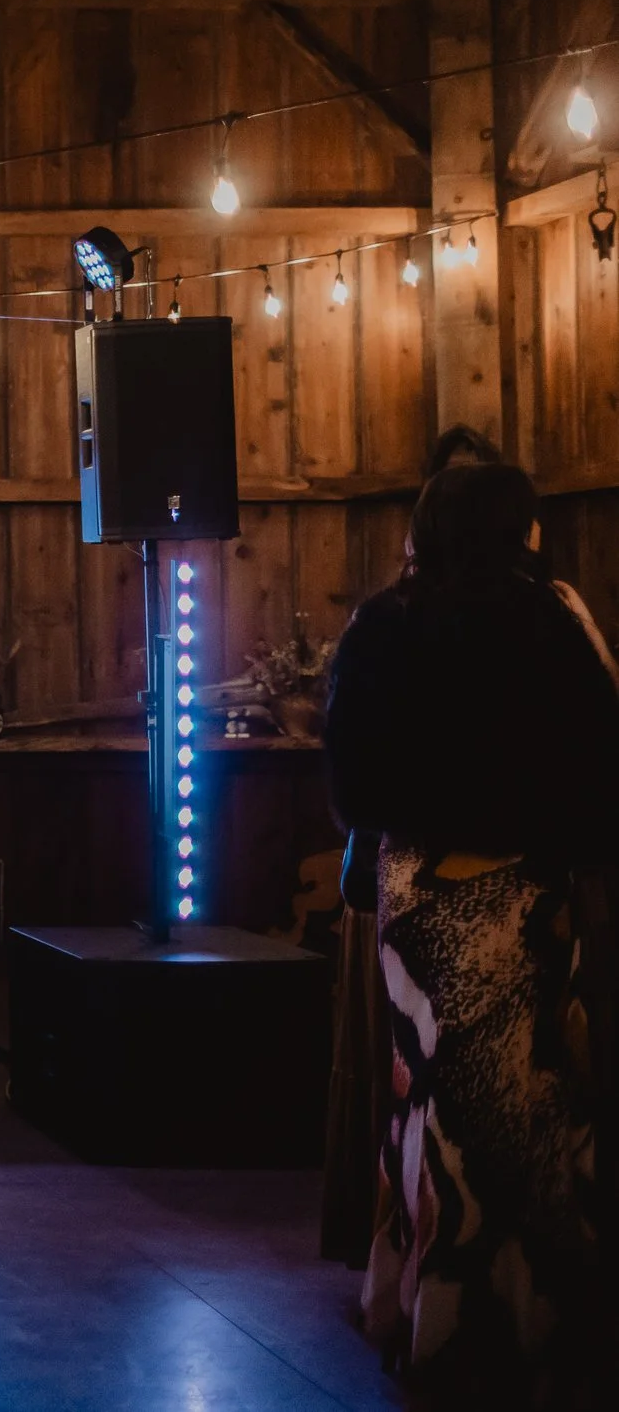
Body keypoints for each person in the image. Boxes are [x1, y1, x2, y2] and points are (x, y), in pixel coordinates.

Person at [325, 461, 618, 1405]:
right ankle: (519, 1323)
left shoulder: (382, 626)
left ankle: (421, 1306)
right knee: (527, 1101)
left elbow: (352, 788)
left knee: (425, 1099)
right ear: (517, 531)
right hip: (524, 896)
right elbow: (599, 773)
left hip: (418, 893)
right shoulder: (551, 626)